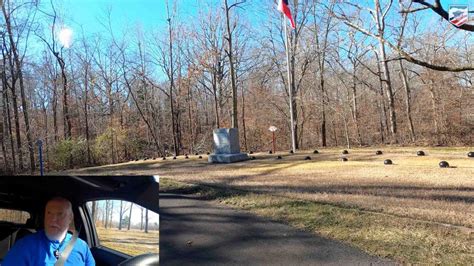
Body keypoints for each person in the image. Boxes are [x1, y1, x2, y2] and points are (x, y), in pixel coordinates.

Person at [2, 197, 95, 266]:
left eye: (60, 214)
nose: (53, 219)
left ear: (70, 218)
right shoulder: (24, 246)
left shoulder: (82, 246)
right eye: (49, 213)